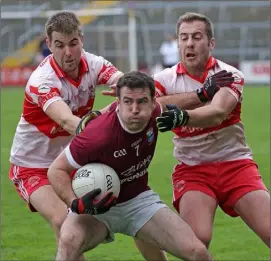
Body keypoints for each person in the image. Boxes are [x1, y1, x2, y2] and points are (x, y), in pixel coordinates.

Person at [134, 11, 270, 260]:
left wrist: (181, 116)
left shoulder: (229, 74)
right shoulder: (163, 79)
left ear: (211, 43)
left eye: (197, 37)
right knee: (196, 241)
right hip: (193, 169)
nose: (189, 43)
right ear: (177, 43)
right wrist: (198, 96)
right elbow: (151, 104)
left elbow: (217, 112)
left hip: (236, 165)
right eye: (183, 38)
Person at [47, 71, 214, 261]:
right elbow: (56, 170)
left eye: (142, 101)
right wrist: (75, 203)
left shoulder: (155, 113)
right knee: (68, 242)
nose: (135, 109)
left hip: (139, 202)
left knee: (198, 252)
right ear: (118, 103)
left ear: (152, 103)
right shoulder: (97, 135)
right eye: (128, 101)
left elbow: (168, 103)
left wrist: (201, 96)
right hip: (98, 208)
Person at [8, 11, 123, 258]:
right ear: (48, 44)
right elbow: (66, 120)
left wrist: (128, 91)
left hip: (69, 161)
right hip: (32, 167)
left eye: (73, 44)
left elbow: (123, 82)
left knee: (133, 208)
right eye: (59, 45)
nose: (68, 53)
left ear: (81, 39)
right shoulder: (42, 80)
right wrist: (106, 118)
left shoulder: (94, 64)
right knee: (64, 221)